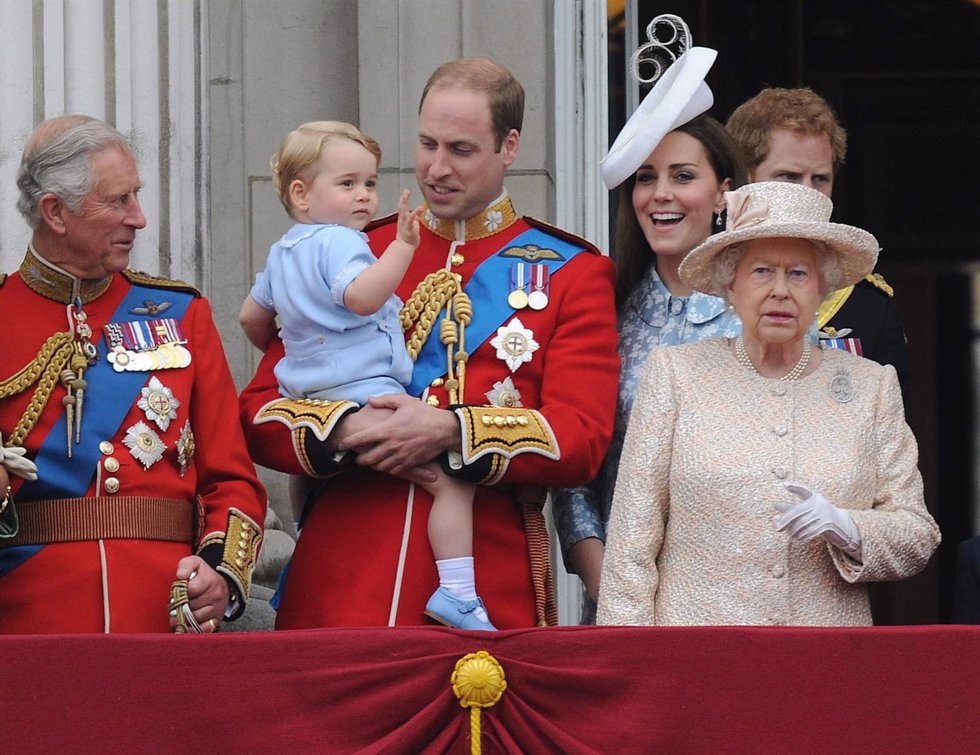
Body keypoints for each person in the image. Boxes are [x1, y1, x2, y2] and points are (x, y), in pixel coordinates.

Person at [239, 58, 619, 630]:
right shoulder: (346, 247)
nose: (436, 169)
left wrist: (451, 429)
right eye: (426, 145)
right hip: (339, 588)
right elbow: (259, 411)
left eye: (461, 150)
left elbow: (582, 435)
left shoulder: (570, 271)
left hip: (484, 589)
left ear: (508, 146)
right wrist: (346, 428)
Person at [597, 181, 940, 626]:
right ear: (730, 284)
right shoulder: (676, 376)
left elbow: (917, 533)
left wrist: (849, 527)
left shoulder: (870, 386)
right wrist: (633, 669)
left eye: (798, 273)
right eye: (761, 271)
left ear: (821, 289)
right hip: (696, 664)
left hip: (823, 664)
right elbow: (630, 543)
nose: (780, 290)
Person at [0, 115, 266, 633]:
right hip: (27, 620)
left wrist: (219, 574)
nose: (139, 218)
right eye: (119, 200)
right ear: (55, 212)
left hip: (163, 615)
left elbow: (232, 478)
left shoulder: (180, 314)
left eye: (136, 197)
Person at [238, 121, 491, 630]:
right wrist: (401, 248)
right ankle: (459, 592)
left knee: (307, 469)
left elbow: (251, 318)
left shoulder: (282, 249)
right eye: (348, 184)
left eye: (370, 184)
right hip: (366, 393)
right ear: (301, 193)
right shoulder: (343, 243)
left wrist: (304, 348)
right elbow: (362, 297)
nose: (364, 197)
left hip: (308, 395)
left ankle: (307, 526)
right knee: (452, 484)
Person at [552, 40, 746, 623]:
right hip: (620, 609)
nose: (659, 193)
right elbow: (575, 478)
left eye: (682, 176)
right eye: (645, 178)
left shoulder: (768, 320)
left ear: (722, 193)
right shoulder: (601, 318)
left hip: (740, 608)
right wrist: (608, 586)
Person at [726, 87, 910, 399]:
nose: (809, 193)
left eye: (820, 179)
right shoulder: (697, 288)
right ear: (744, 178)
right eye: (790, 177)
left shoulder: (869, 306)